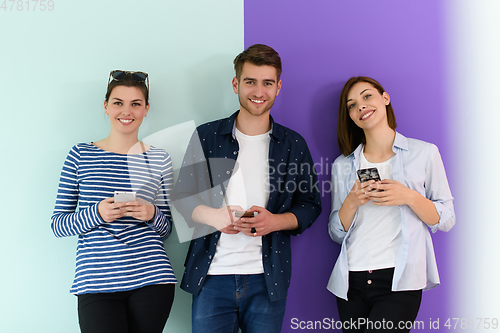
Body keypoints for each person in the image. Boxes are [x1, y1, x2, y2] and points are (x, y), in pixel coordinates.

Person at [173, 44, 322, 333]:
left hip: (267, 280)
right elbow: (182, 198)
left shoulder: (293, 144)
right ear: (235, 84)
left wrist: (274, 222)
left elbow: (310, 205)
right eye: (250, 81)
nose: (258, 91)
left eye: (267, 83)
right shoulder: (208, 135)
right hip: (211, 278)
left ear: (278, 87)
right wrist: (214, 217)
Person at [51, 70, 176, 333]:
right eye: (118, 103)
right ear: (106, 107)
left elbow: (167, 230)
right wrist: (97, 213)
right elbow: (58, 225)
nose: (126, 111)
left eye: (135, 104)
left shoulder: (160, 159)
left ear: (146, 109)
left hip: (152, 279)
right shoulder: (80, 155)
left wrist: (151, 213)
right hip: (96, 282)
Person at [327, 76, 455, 333]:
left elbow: (447, 219)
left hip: (400, 281)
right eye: (351, 105)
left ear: (385, 98)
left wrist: (409, 197)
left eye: (367, 96)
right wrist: (351, 202)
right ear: (350, 116)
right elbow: (336, 233)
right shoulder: (342, 165)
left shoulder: (425, 153)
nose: (360, 106)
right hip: (351, 280)